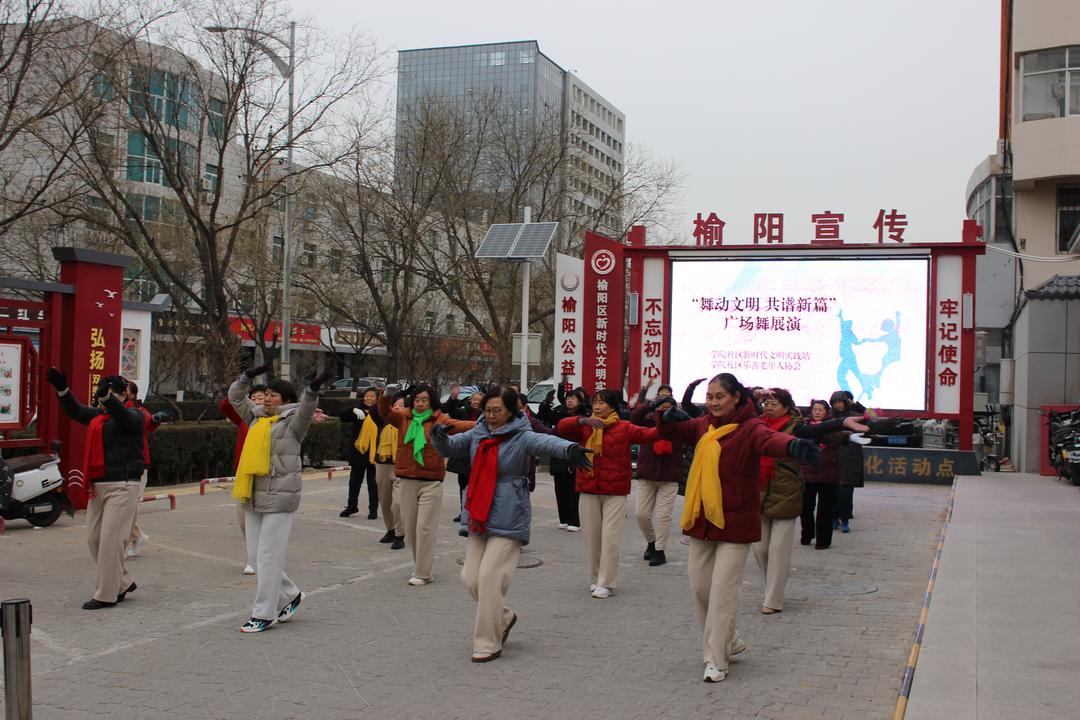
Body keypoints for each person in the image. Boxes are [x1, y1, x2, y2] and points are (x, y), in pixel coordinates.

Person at [657, 372, 823, 683]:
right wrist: (667, 415)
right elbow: (675, 430)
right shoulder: (703, 425)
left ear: (736, 398)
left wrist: (794, 446)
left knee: (723, 592)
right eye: (710, 397)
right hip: (702, 519)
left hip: (736, 524)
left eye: (720, 396)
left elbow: (769, 440)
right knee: (699, 588)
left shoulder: (750, 427)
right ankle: (730, 639)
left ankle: (716, 660)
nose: (714, 402)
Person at [430, 385, 592, 662]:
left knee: (489, 577)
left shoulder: (522, 434)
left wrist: (571, 450)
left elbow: (546, 442)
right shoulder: (478, 432)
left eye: (498, 411)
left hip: (509, 512)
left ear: (511, 411)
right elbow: (451, 446)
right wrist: (438, 436)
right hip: (478, 511)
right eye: (488, 410)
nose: (492, 416)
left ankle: (487, 643)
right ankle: (503, 616)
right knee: (470, 578)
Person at [229, 363, 330, 633]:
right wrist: (246, 377)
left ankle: (264, 612)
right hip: (252, 492)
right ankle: (291, 594)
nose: (267, 398)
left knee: (269, 556)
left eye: (274, 395)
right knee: (256, 556)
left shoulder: (293, 421)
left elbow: (307, 407)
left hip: (280, 495)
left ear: (286, 400)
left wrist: (312, 389)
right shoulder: (256, 417)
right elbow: (235, 397)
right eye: (266, 393)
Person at [45, 369, 146, 609]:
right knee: (94, 539)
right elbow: (75, 411)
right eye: (101, 394)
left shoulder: (135, 415)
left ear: (123, 395)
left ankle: (106, 595)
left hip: (123, 485)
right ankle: (122, 582)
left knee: (111, 540)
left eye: (109, 394)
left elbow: (125, 418)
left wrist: (110, 400)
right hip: (98, 485)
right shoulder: (98, 417)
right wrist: (63, 389)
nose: (102, 399)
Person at [557, 388, 661, 598]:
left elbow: (650, 435)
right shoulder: (586, 426)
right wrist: (582, 421)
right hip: (588, 487)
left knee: (610, 538)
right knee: (592, 538)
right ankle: (595, 578)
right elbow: (561, 428)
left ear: (613, 406)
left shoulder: (624, 427)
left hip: (615, 490)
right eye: (595, 402)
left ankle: (607, 582)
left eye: (602, 403)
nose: (596, 406)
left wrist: (663, 419)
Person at [377, 384, 474, 586]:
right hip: (407, 479)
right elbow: (384, 411)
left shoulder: (440, 420)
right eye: (418, 400)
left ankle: (423, 572)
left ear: (432, 401)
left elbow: (461, 426)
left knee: (424, 528)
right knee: (411, 529)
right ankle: (420, 565)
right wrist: (386, 395)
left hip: (431, 481)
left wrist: (483, 423)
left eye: (425, 400)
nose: (420, 404)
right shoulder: (403, 416)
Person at [750, 388, 804, 615]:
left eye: (774, 403)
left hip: (785, 493)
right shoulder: (756, 426)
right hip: (758, 493)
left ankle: (773, 599)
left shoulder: (796, 427)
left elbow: (822, 432)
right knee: (760, 549)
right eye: (767, 403)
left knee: (778, 549)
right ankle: (773, 587)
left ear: (787, 407)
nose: (769, 406)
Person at [630, 380, 684, 566]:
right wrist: (650, 402)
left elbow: (693, 421)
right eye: (661, 399)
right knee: (641, 514)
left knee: (663, 516)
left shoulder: (679, 421)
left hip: (669, 475)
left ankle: (660, 551)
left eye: (668, 400)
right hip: (647, 472)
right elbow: (634, 416)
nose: (665, 403)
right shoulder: (648, 419)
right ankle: (651, 542)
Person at [220, 383, 266, 574]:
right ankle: (252, 556)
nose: (256, 401)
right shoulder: (244, 419)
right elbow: (226, 406)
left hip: (265, 475)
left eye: (261, 398)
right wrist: (235, 390)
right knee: (243, 519)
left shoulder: (273, 419)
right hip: (244, 472)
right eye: (253, 398)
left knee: (264, 519)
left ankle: (259, 558)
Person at [124, 381, 165, 558]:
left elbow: (148, 423)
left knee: (127, 507)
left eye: (123, 389)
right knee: (122, 507)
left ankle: (125, 543)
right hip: (116, 466)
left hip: (136, 466)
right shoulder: (110, 411)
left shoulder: (139, 412)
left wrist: (155, 420)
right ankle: (137, 536)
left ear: (131, 394)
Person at [539, 385, 589, 531]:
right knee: (560, 488)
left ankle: (574, 521)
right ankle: (564, 519)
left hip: (575, 454)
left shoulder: (584, 415)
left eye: (573, 399)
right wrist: (545, 403)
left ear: (579, 401)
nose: (570, 401)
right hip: (559, 454)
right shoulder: (559, 412)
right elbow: (544, 416)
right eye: (568, 398)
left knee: (573, 490)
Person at [800, 400, 841, 549]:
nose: (817, 412)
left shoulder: (833, 426)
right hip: (807, 472)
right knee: (805, 507)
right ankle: (807, 534)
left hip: (828, 473)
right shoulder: (804, 427)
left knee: (825, 510)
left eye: (820, 410)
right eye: (815, 409)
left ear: (827, 412)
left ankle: (823, 541)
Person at [336, 387, 380, 519]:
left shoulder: (380, 411)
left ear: (377, 398)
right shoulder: (358, 409)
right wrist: (352, 410)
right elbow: (342, 416)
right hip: (358, 450)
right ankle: (351, 506)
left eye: (372, 396)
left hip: (374, 450)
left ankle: (373, 510)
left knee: (373, 482)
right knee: (354, 481)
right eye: (367, 395)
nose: (369, 398)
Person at [830, 390, 864, 533]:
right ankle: (833, 518)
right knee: (832, 490)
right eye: (835, 402)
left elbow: (871, 417)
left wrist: (856, 404)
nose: (838, 405)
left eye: (841, 402)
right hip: (832, 458)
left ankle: (845, 519)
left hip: (850, 457)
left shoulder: (856, 417)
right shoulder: (828, 418)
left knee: (846, 491)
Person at [375, 394, 406, 549]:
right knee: (385, 500)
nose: (398, 407)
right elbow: (377, 409)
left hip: (400, 465)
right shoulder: (384, 419)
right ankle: (391, 530)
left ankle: (400, 535)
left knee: (398, 503)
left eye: (402, 404)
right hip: (382, 463)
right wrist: (384, 395)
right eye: (396, 404)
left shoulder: (407, 422)